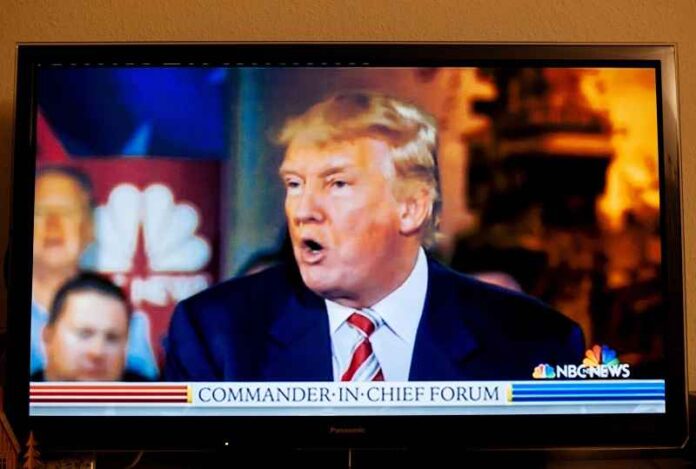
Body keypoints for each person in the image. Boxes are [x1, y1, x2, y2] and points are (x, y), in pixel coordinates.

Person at [163, 91, 585, 382]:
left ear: (411, 207)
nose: (304, 210)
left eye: (337, 184)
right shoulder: (214, 333)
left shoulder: (533, 341)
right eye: (295, 184)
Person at [31, 166, 158, 379]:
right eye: (40, 212)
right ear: (47, 335)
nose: (53, 225)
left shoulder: (125, 317)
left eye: (67, 213)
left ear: (90, 227)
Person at [33, 272, 147, 381]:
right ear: (47, 337)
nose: (97, 352)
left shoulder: (149, 393)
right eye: (84, 334)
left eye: (112, 338)